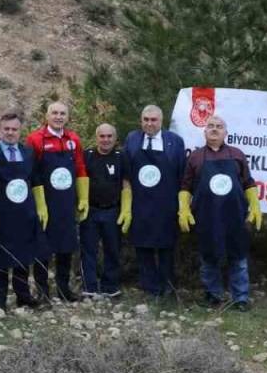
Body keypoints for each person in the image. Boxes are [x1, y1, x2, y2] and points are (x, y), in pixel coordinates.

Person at [179, 115, 261, 311]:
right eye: (210, 126)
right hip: (206, 217)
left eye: (219, 126)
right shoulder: (196, 157)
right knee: (209, 257)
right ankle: (212, 295)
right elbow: (186, 186)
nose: (214, 129)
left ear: (226, 132)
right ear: (204, 131)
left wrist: (255, 205)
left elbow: (248, 183)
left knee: (238, 257)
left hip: (234, 216)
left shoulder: (237, 155)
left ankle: (240, 298)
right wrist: (183, 208)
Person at [24, 101, 89, 303]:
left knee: (66, 247)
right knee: (43, 248)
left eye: (62, 113)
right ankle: (42, 291)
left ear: (67, 117)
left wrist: (84, 197)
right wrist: (37, 203)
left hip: (67, 203)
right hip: (45, 202)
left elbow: (79, 169)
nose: (58, 117)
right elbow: (31, 173)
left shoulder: (73, 139)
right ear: (47, 116)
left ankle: (63, 289)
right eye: (54, 113)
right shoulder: (35, 139)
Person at [120, 105, 185, 298]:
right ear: (141, 121)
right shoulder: (132, 139)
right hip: (140, 203)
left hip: (166, 203)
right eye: (146, 119)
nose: (149, 123)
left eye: (153, 119)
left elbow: (182, 175)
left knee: (166, 247)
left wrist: (182, 207)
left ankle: (167, 288)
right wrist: (127, 205)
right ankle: (150, 288)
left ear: (161, 121)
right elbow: (126, 174)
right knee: (142, 246)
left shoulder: (175, 141)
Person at [0, 112, 44, 310]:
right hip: (0, 214)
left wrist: (40, 207)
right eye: (6, 129)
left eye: (14, 129)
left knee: (23, 257)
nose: (10, 133)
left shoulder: (28, 153)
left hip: (24, 213)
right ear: (0, 130)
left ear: (20, 131)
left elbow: (35, 181)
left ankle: (23, 296)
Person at [80, 123, 124, 297]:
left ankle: (110, 287)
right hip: (90, 211)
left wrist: (125, 209)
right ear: (96, 137)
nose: (106, 140)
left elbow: (126, 182)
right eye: (102, 136)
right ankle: (89, 287)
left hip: (112, 210)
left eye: (109, 136)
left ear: (115, 138)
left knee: (112, 249)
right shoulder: (87, 156)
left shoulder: (121, 157)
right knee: (88, 249)